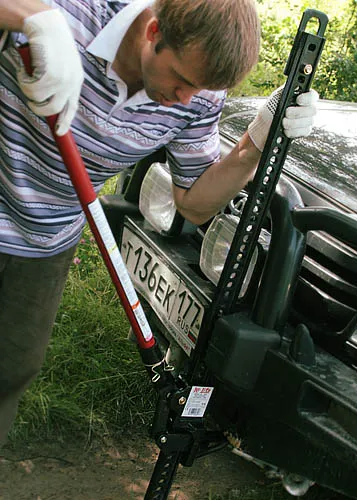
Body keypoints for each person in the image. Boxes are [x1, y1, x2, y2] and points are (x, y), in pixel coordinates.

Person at [0, 0, 318, 445]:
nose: (186, 98)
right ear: (153, 32)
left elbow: (194, 204)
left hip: (45, 244)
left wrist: (255, 146)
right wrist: (35, 20)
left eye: (200, 89)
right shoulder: (76, 11)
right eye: (184, 80)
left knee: (10, 370)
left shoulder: (197, 97)